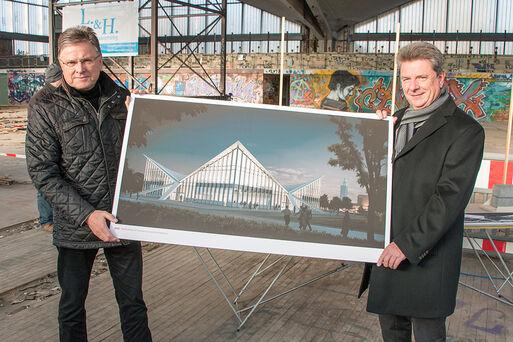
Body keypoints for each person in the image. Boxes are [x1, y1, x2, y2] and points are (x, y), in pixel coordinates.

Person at [25, 26, 152, 342]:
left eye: (86, 60)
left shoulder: (123, 100)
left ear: (99, 59)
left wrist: (146, 120)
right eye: (70, 62)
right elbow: (43, 172)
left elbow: (145, 156)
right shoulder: (45, 105)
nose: (79, 68)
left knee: (133, 305)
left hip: (122, 222)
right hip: (75, 225)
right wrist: (87, 214)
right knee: (71, 306)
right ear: (60, 62)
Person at [359, 42, 484, 342]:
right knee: (392, 334)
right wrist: (372, 137)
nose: (412, 87)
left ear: (441, 78)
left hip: (424, 258)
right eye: (406, 79)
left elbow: (449, 199)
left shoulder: (465, 131)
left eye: (421, 78)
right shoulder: (394, 122)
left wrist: (406, 245)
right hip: (386, 256)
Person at [28, 62, 62, 233]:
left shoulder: (43, 96)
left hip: (46, 147)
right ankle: (47, 220)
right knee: (45, 184)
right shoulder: (43, 99)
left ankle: (50, 219)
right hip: (44, 148)